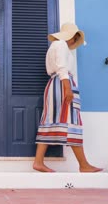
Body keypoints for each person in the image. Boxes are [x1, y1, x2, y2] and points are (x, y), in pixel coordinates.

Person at [33, 23, 102, 173]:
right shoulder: (60, 45)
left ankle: (38, 161)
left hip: (56, 84)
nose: (73, 41)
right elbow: (62, 67)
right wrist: (67, 88)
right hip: (62, 84)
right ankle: (83, 165)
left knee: (50, 121)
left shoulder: (56, 46)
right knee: (72, 123)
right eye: (75, 38)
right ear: (70, 36)